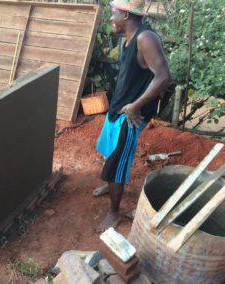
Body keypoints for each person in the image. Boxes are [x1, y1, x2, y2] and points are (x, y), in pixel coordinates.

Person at [95, 0, 171, 230]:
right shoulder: (131, 37)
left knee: (117, 164)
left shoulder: (145, 38)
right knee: (109, 151)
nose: (111, 18)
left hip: (131, 116)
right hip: (120, 109)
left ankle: (114, 212)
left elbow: (164, 77)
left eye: (113, 13)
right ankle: (110, 185)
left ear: (126, 15)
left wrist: (136, 105)